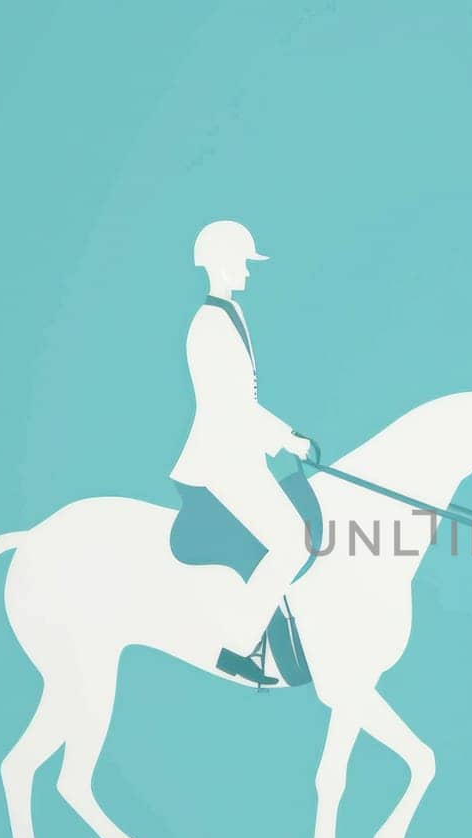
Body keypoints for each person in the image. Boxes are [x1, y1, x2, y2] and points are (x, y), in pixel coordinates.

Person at [170, 220, 312, 684]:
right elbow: (230, 406)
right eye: (241, 262)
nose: (247, 272)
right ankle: (237, 648)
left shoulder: (233, 314)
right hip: (220, 460)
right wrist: (289, 439)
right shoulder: (208, 325)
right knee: (292, 541)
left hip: (240, 455)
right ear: (216, 263)